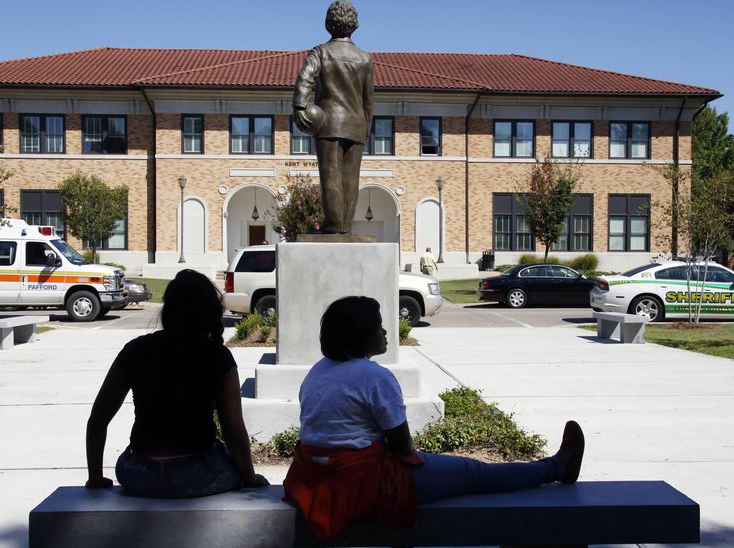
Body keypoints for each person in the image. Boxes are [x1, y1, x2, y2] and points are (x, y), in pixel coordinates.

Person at [283, 296, 584, 539]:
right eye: (379, 326)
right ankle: (557, 466)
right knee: (475, 472)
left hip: (313, 476)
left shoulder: (317, 372)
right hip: (365, 481)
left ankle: (555, 466)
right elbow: (403, 447)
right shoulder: (374, 376)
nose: (386, 332)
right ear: (361, 336)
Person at [85, 269, 268, 497]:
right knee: (224, 455)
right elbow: (233, 430)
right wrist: (250, 479)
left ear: (167, 309)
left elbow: (97, 421)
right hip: (198, 474)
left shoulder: (135, 351)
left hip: (140, 474)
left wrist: (94, 478)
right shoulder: (217, 356)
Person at [292, 0, 374, 234]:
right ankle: (345, 225)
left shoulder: (321, 52)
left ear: (328, 23)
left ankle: (333, 224)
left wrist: (300, 107)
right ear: (354, 25)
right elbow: (369, 101)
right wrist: (365, 130)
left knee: (331, 176)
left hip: (329, 124)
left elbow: (305, 79)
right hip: (357, 125)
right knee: (351, 180)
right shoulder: (365, 59)